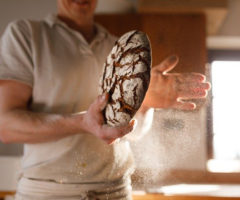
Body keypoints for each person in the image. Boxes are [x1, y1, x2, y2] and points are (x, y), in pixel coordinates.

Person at [0, 0, 211, 199]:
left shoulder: (119, 47)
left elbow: (131, 133)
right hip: (49, 193)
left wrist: (145, 102)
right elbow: (6, 126)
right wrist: (82, 123)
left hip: (116, 192)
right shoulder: (26, 35)